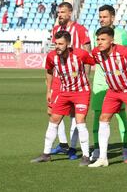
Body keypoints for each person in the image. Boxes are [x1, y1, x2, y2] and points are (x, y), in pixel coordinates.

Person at [30, 31, 94, 166]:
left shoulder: (80, 54)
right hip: (64, 92)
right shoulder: (51, 56)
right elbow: (48, 71)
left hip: (81, 92)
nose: (57, 46)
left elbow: (92, 61)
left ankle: (86, 156)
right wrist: (49, 90)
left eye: (60, 44)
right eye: (56, 44)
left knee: (80, 120)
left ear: (68, 44)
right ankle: (46, 154)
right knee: (53, 119)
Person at [88, 27, 127, 168]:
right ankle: (103, 158)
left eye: (103, 39)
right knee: (103, 119)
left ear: (112, 40)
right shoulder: (96, 53)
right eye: (98, 39)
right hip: (113, 91)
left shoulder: (125, 52)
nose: (99, 42)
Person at [89, 4, 127, 163]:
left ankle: (125, 147)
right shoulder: (95, 34)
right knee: (98, 115)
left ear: (112, 17)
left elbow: (126, 58)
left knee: (121, 115)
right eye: (100, 17)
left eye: (105, 17)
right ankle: (97, 148)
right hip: (100, 82)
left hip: (118, 83)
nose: (102, 20)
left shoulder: (122, 34)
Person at [50, 2, 91, 160]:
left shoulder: (80, 29)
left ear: (70, 13)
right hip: (59, 78)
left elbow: (87, 54)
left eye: (63, 12)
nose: (60, 15)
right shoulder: (56, 30)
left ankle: (72, 148)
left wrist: (86, 77)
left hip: (76, 79)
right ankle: (63, 143)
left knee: (75, 113)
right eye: (58, 12)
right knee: (53, 112)